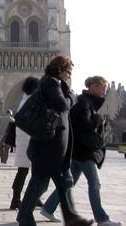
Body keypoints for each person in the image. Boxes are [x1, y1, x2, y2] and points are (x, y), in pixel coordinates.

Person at [16, 56, 94, 226]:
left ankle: (71, 217)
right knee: (40, 182)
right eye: (68, 72)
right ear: (60, 69)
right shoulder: (50, 83)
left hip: (53, 145)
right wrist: (73, 96)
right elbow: (63, 105)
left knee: (63, 180)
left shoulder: (53, 83)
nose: (69, 75)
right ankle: (24, 216)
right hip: (48, 145)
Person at [40, 76, 122, 226]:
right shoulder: (84, 102)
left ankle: (48, 208)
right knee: (94, 183)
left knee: (68, 183)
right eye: (102, 88)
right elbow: (83, 124)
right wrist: (97, 120)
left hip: (78, 150)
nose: (104, 91)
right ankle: (102, 218)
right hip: (84, 151)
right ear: (94, 87)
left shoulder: (84, 101)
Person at [9, 76, 41, 210]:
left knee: (24, 171)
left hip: (24, 139)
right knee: (31, 172)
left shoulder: (24, 99)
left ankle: (24, 198)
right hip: (30, 139)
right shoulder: (32, 101)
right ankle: (19, 199)